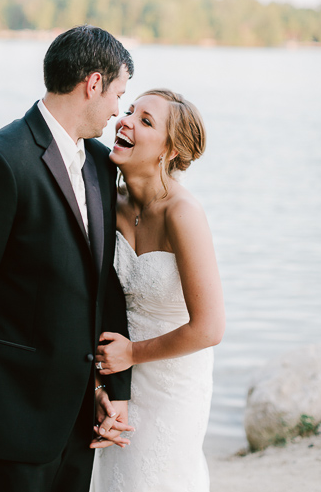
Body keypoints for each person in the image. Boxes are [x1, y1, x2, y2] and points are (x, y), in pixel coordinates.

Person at [0, 25, 136, 492]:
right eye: (117, 94)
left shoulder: (101, 164)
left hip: (78, 422)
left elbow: (104, 285)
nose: (116, 110)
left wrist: (113, 389)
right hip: (8, 420)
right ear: (92, 84)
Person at [90, 89, 225, 491]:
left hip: (172, 378)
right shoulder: (109, 203)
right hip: (117, 375)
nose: (125, 120)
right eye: (129, 110)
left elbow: (210, 328)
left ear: (170, 150)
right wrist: (102, 383)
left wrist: (132, 353)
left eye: (146, 121)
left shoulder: (183, 214)